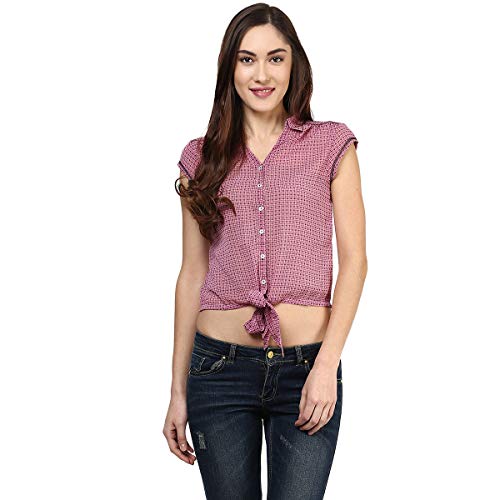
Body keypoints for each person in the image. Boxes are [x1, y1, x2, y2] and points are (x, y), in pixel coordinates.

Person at [163, 4, 367, 499]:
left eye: (275, 58)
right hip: (217, 373)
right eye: (247, 59)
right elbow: (192, 275)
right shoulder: (200, 157)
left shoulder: (331, 145)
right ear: (229, 68)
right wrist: (177, 392)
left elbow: (355, 263)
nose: (261, 74)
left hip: (307, 369)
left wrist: (327, 366)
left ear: (294, 64)